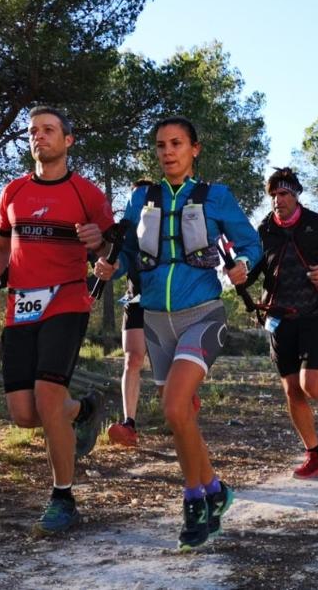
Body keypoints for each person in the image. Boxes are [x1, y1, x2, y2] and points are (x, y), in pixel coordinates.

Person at [94, 116, 261, 552]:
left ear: (194, 149)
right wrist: (114, 267)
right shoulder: (139, 199)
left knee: (172, 408)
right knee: (182, 415)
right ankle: (216, 490)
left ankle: (194, 503)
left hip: (203, 315)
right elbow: (129, 253)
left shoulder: (215, 197)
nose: (168, 151)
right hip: (154, 320)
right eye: (161, 145)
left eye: (177, 143)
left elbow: (251, 243)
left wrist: (244, 263)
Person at [0, 106, 114, 537]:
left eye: (49, 130)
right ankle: (85, 409)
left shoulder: (86, 194)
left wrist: (102, 250)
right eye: (33, 131)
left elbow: (112, 251)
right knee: (24, 414)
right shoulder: (13, 192)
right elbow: (1, 247)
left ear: (68, 140)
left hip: (67, 302)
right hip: (20, 307)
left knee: (48, 398)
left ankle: (63, 498)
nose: (39, 137)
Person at [243, 167, 318, 480]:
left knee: (311, 385)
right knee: (293, 391)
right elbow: (252, 270)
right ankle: (315, 455)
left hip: (315, 314)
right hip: (279, 319)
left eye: (283, 194)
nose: (277, 200)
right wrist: (238, 273)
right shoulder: (264, 230)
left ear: (295, 195)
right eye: (273, 196)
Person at [107, 179, 155, 447]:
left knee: (168, 364)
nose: (135, 204)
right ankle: (129, 424)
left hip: (166, 300)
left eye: (141, 198)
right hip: (135, 297)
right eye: (132, 198)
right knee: (132, 359)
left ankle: (183, 403)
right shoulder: (126, 232)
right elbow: (119, 261)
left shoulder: (163, 226)